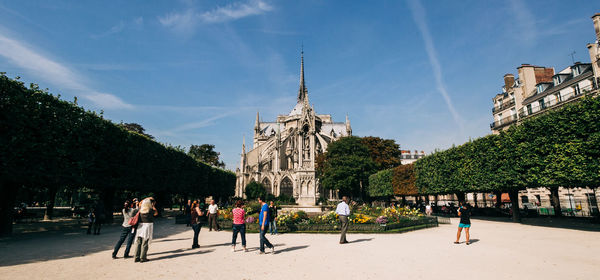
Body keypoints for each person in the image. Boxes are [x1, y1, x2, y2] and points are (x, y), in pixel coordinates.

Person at [134, 197, 158, 262]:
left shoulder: (140, 209)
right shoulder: (150, 210)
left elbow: (140, 203)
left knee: (138, 242)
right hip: (147, 226)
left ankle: (136, 257)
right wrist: (153, 205)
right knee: (145, 242)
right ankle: (143, 257)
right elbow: (156, 213)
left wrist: (146, 199)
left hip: (140, 226)